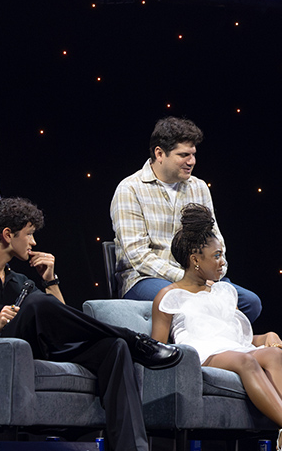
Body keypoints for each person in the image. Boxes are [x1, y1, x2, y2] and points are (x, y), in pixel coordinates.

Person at [0, 197, 181, 451]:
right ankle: (138, 341)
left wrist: (50, 279)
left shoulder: (18, 280)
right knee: (38, 303)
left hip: (34, 350)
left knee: (114, 347)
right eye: (29, 234)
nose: (34, 243)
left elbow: (61, 318)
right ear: (7, 235)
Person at [151, 204, 282, 451]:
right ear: (195, 260)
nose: (223, 262)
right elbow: (156, 346)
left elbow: (235, 336)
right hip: (198, 355)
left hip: (230, 350)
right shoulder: (169, 295)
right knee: (246, 361)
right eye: (217, 256)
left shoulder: (224, 291)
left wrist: (265, 336)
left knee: (272, 354)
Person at [111, 117, 262, 324]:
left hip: (199, 276)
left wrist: (215, 271)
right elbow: (138, 255)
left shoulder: (198, 187)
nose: (191, 161)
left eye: (193, 154)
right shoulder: (130, 189)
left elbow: (215, 240)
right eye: (183, 155)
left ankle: (218, 350)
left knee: (250, 303)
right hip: (145, 279)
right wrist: (187, 279)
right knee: (189, 302)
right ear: (159, 154)